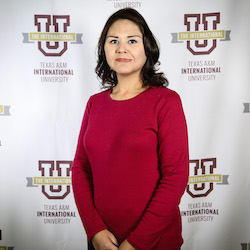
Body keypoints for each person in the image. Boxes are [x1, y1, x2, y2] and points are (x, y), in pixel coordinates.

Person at [72, 8, 189, 250]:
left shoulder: (165, 101)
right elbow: (80, 169)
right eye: (113, 41)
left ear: (147, 48)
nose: (121, 48)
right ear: (104, 50)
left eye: (132, 41)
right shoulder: (95, 103)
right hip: (102, 241)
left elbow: (175, 177)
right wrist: (94, 230)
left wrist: (135, 243)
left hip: (154, 242)